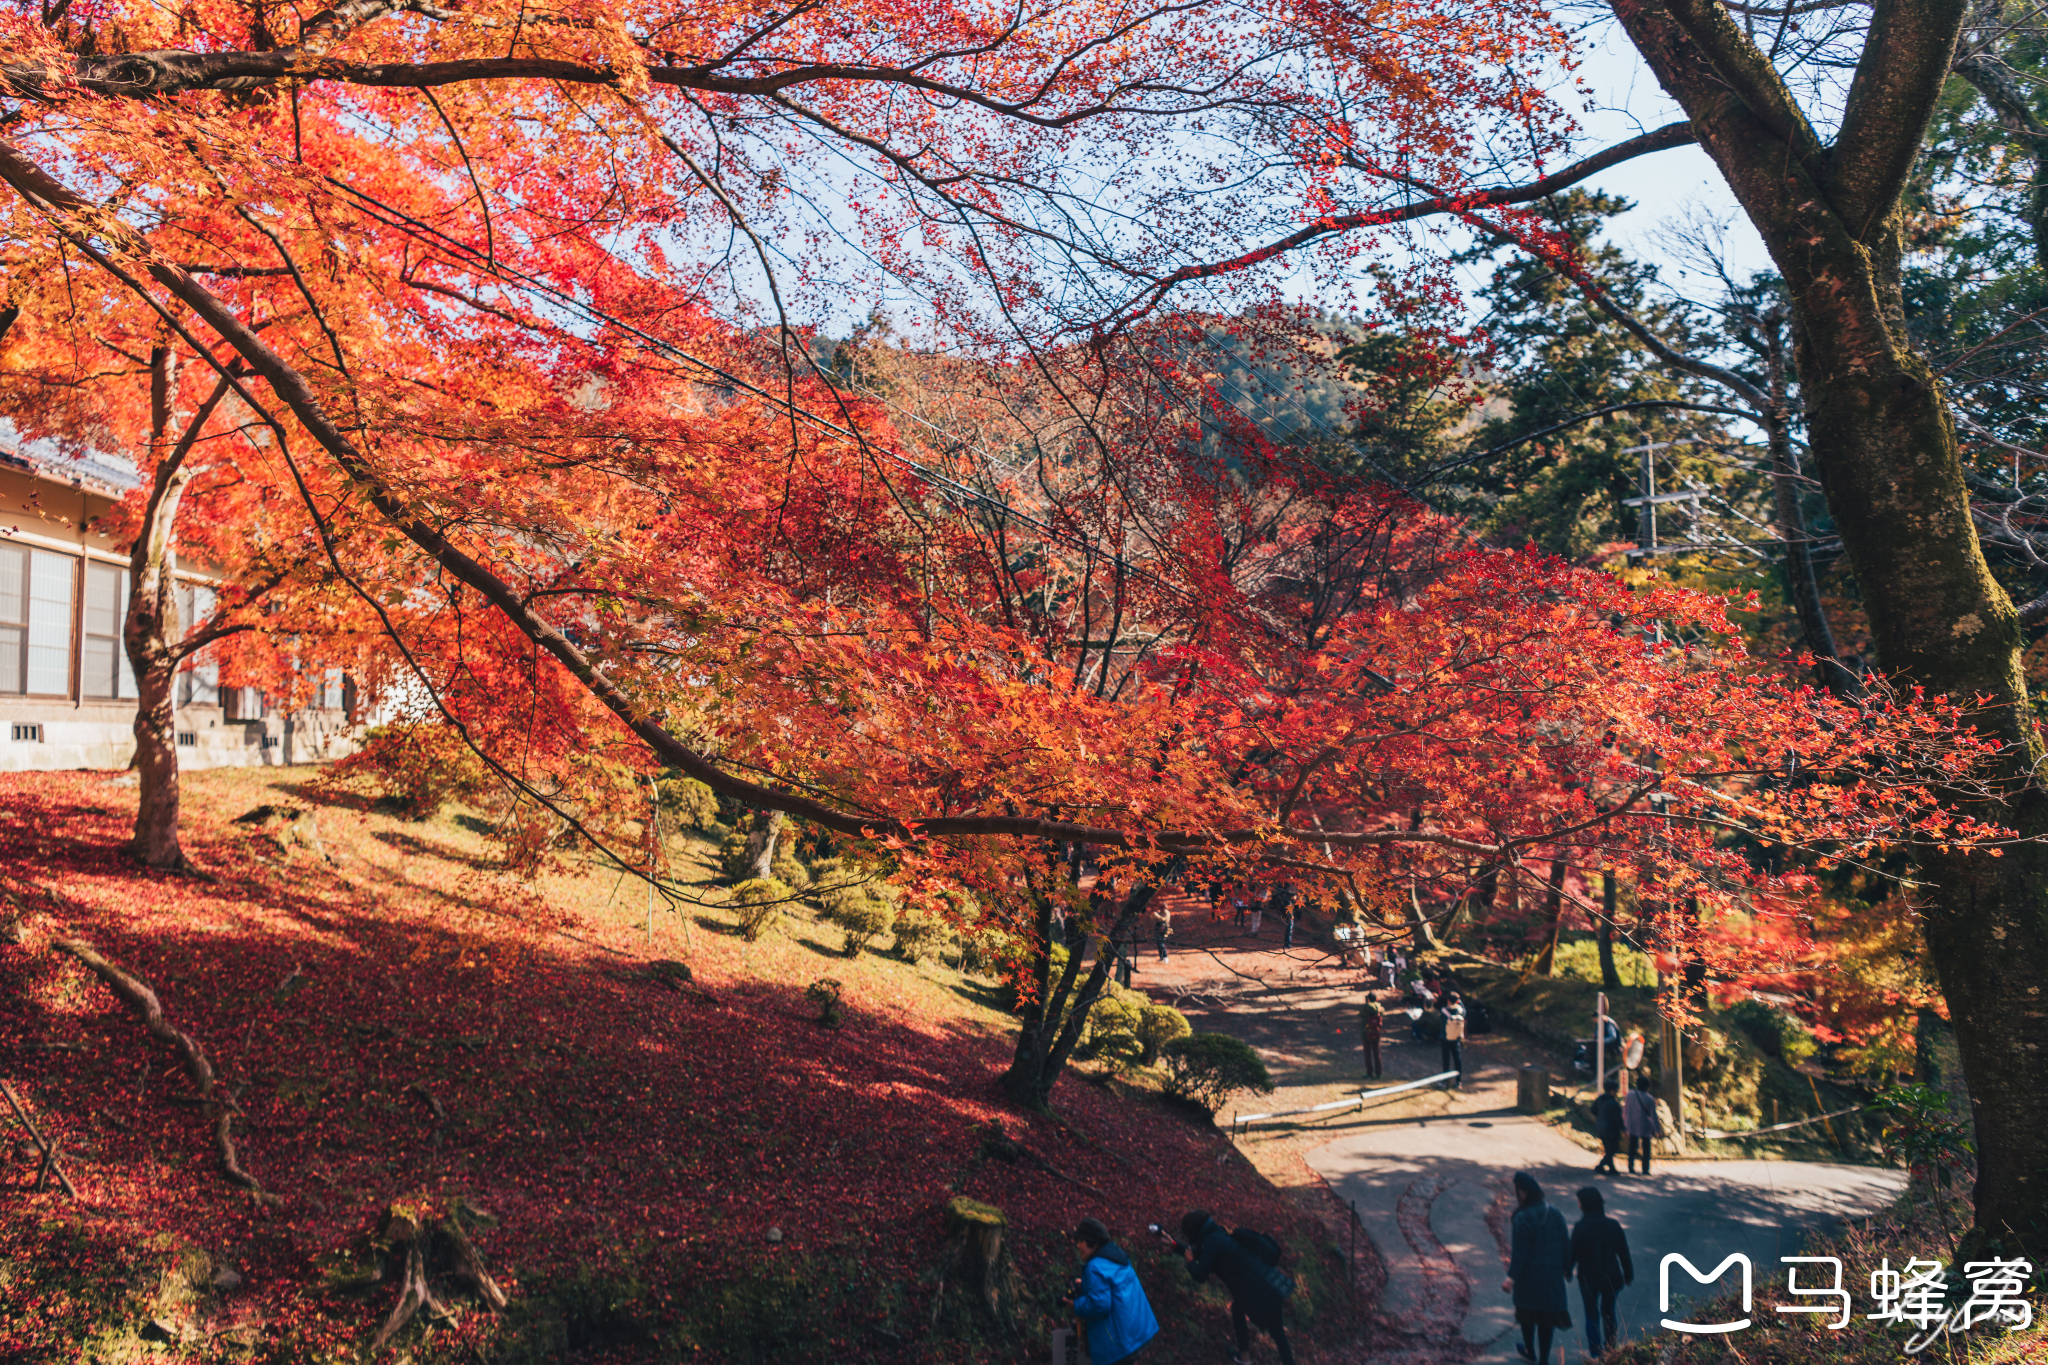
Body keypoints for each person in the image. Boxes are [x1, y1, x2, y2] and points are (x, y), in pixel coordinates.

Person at [1179, 1211, 1294, 1365]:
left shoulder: (1211, 1240)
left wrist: (1190, 1263)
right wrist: (1173, 1244)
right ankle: (1244, 1357)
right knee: (1239, 1310)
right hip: (1266, 1282)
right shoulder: (1215, 1234)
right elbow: (1198, 1253)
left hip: (1258, 1289)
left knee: (1277, 1333)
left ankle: (1250, 1358)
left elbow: (1200, 1274)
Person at [1503, 1172, 1572, 1365]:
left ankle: (1529, 1350)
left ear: (1523, 1192)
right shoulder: (1555, 1213)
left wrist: (1511, 1278)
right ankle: (1543, 1359)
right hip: (1552, 1276)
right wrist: (1567, 1267)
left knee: (1527, 1314)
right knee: (1546, 1319)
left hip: (1529, 1277)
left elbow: (1520, 1252)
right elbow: (1566, 1242)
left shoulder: (1522, 1218)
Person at [1070, 1218, 1160, 1365]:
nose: (1078, 1245)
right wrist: (1086, 1285)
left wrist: (1073, 1305)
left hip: (1120, 1344)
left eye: (1081, 1241)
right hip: (1138, 1333)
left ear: (1093, 1241)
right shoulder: (1116, 1255)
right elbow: (1113, 1288)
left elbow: (1099, 1305)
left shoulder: (1094, 1266)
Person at [1564, 1186, 1633, 1358]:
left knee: (1591, 1313)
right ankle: (1610, 1348)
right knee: (1609, 1312)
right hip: (1611, 1276)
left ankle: (1595, 1352)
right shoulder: (1613, 1225)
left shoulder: (1581, 1227)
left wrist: (1568, 1270)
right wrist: (1628, 1274)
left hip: (1588, 1277)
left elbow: (1573, 1252)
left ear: (1585, 1205)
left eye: (1579, 1202)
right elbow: (1623, 1252)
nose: (1578, 1205)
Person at [1624, 1075, 1661, 1175]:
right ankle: (1645, 1169)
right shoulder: (1650, 1098)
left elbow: (1626, 1110)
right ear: (1647, 1087)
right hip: (1645, 1125)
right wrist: (1657, 1129)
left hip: (1632, 1124)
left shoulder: (1630, 1095)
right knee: (1646, 1148)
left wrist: (1625, 1125)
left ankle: (1631, 1167)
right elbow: (1653, 1115)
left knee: (1632, 1146)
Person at [1590, 1077, 1624, 1176]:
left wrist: (1600, 1117)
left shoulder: (1600, 1099)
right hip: (1611, 1130)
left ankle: (1612, 1169)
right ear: (1613, 1090)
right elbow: (1618, 1119)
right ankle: (1600, 1166)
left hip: (1600, 1128)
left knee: (1608, 1149)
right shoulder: (1614, 1103)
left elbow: (1592, 1110)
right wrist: (1623, 1129)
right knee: (1613, 1149)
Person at [1440, 991, 1467, 1088]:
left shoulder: (1444, 1011)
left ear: (1448, 1000)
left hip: (1445, 1038)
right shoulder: (1461, 1011)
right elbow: (1465, 1011)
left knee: (1446, 1060)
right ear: (1457, 1001)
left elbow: (1442, 1022)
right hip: (1456, 1038)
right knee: (1457, 1059)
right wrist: (1460, 1002)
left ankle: (1445, 1081)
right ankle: (1458, 1081)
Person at [1359, 997, 1385, 1080]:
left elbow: (1360, 1015)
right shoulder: (1381, 1008)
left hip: (1366, 1033)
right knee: (1377, 1053)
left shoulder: (1365, 1007)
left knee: (1367, 1054)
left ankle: (1369, 1073)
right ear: (1377, 999)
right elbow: (1383, 1014)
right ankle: (1379, 1073)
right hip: (1377, 1032)